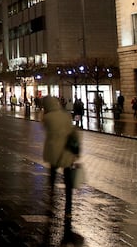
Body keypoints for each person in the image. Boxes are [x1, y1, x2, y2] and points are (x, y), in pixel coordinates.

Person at [42, 95, 81, 237]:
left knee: (52, 175)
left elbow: (44, 126)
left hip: (54, 152)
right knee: (68, 181)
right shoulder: (66, 116)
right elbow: (73, 132)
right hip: (66, 152)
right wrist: (76, 151)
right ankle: (68, 209)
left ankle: (51, 199)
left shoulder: (48, 117)